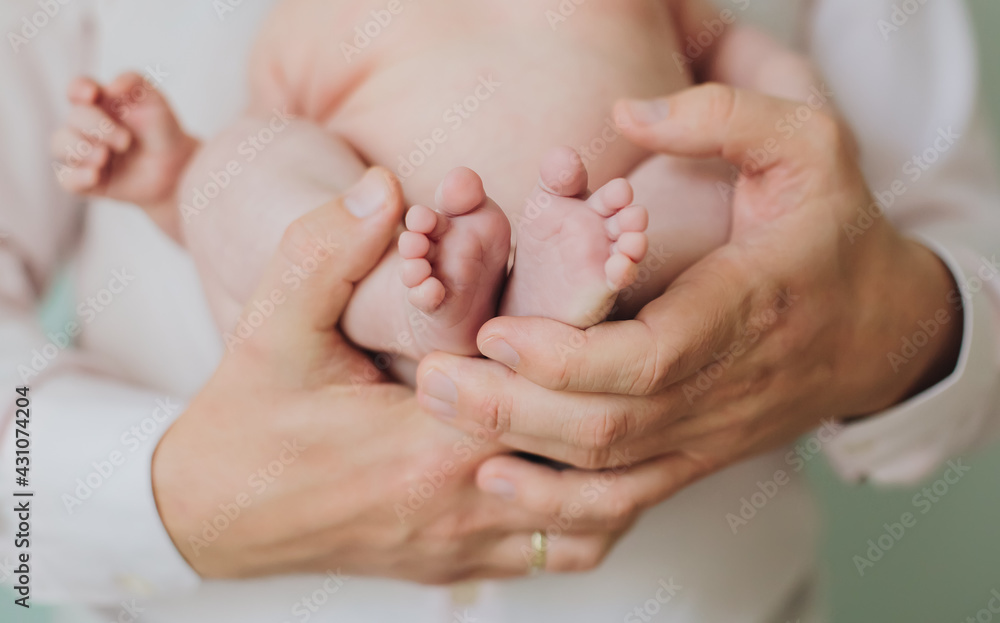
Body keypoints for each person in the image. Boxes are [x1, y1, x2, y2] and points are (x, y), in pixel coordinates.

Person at [1, 1, 998, 623]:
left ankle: (563, 298)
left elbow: (770, 93)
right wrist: (179, 175)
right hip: (378, 277)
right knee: (251, 166)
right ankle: (419, 307)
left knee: (713, 179)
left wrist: (833, 212)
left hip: (634, 257)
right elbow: (265, 157)